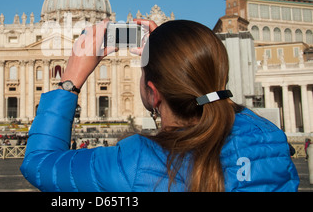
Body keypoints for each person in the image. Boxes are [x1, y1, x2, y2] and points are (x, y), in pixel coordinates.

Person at [20, 19, 299, 192]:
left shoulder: (135, 163)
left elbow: (37, 164)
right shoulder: (270, 139)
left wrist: (69, 81)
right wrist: (170, 54)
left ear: (153, 94)